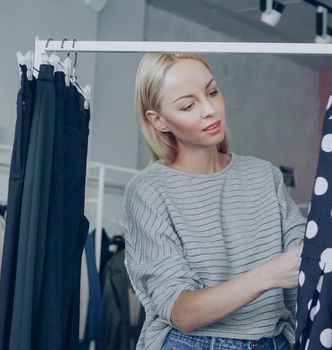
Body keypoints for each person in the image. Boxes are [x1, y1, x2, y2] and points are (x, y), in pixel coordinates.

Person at [124, 52, 306, 350]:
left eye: (212, 92)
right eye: (188, 105)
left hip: (275, 341)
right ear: (158, 120)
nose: (210, 109)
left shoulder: (264, 175)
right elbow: (181, 312)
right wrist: (269, 274)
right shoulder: (148, 190)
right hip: (193, 344)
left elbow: (302, 268)